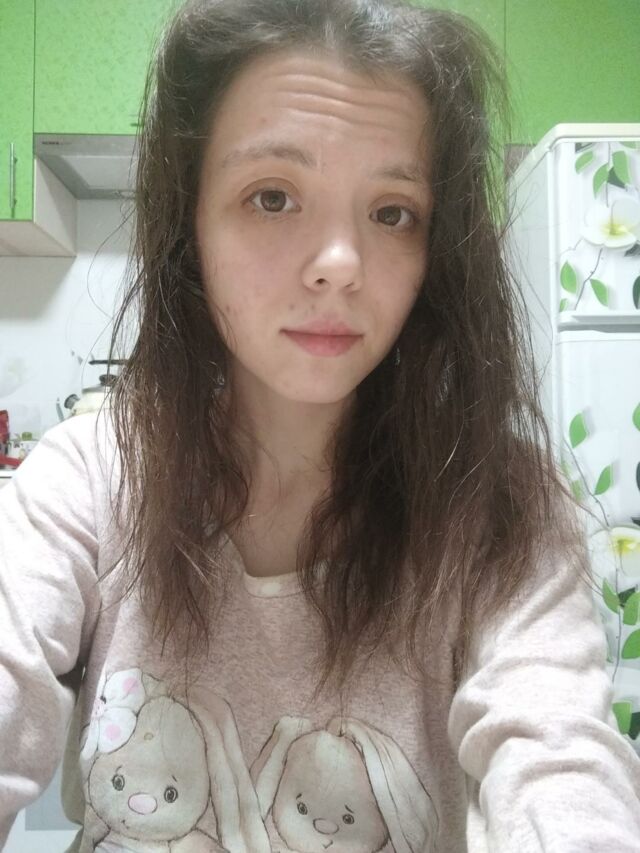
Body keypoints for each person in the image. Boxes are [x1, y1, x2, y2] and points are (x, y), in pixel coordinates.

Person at [1, 0, 639, 850]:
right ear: (190, 222)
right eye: (273, 197)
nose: (340, 264)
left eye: (392, 212)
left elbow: (560, 757)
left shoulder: (497, 502)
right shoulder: (89, 476)